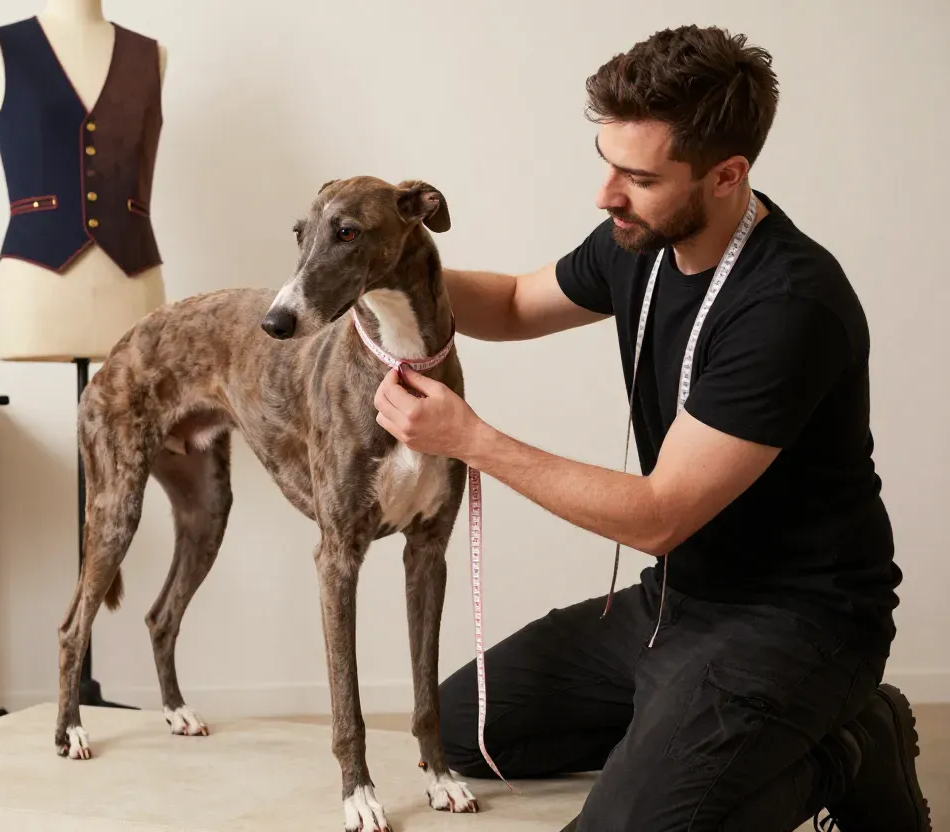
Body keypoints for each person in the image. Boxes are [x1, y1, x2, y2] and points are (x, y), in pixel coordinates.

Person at [372, 24, 929, 832]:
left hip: (795, 623)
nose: (606, 194)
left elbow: (660, 514)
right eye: (607, 163)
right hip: (672, 604)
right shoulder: (640, 241)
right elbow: (520, 303)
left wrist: (469, 438)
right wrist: (384, 270)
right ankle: (692, 724)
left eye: (636, 176)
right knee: (464, 729)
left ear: (727, 176)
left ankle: (846, 744)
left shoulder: (789, 304)